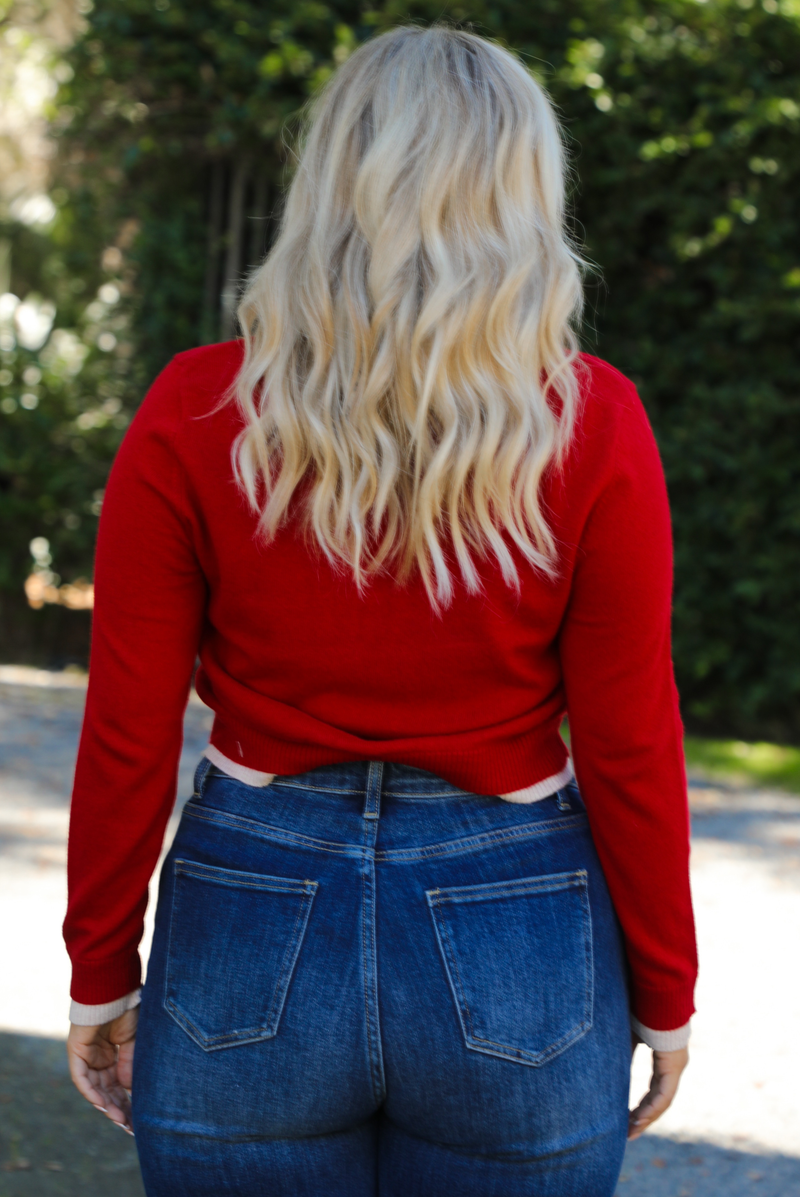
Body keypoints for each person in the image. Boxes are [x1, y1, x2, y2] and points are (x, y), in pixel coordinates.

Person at [63, 24, 697, 1197]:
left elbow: (128, 725)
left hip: (248, 909)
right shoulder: (594, 425)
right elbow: (626, 736)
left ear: (327, 184)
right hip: (516, 927)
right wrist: (664, 985)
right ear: (522, 195)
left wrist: (100, 968)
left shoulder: (196, 409)